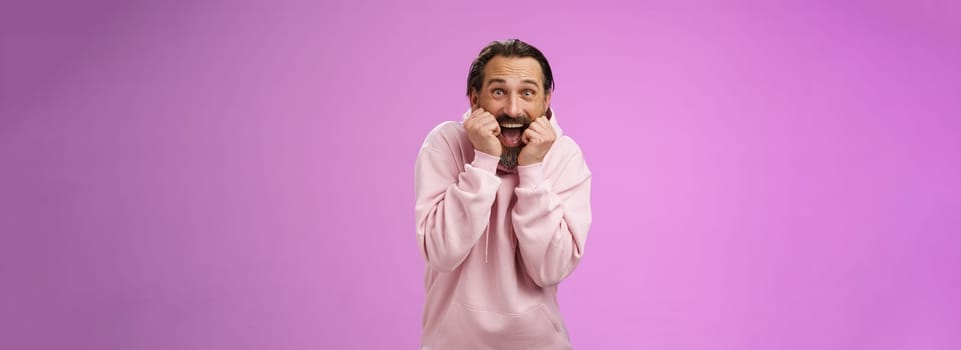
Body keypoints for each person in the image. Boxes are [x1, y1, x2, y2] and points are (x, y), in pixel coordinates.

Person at [414, 39, 592, 349]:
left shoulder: (565, 156)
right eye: (498, 92)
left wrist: (533, 169)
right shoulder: (445, 143)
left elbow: (550, 269)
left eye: (527, 93)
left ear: (547, 100)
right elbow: (442, 253)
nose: (512, 109)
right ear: (474, 99)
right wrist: (483, 161)